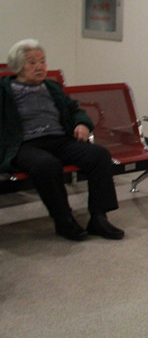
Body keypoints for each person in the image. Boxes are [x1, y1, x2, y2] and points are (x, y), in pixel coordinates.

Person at [0, 39, 124, 241]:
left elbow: (75, 110)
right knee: (47, 165)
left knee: (99, 155)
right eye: (32, 62)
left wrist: (82, 124)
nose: (39, 67)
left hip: (60, 139)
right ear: (18, 66)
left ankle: (99, 218)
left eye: (43, 61)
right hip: (24, 144)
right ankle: (63, 220)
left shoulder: (51, 87)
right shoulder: (4, 90)